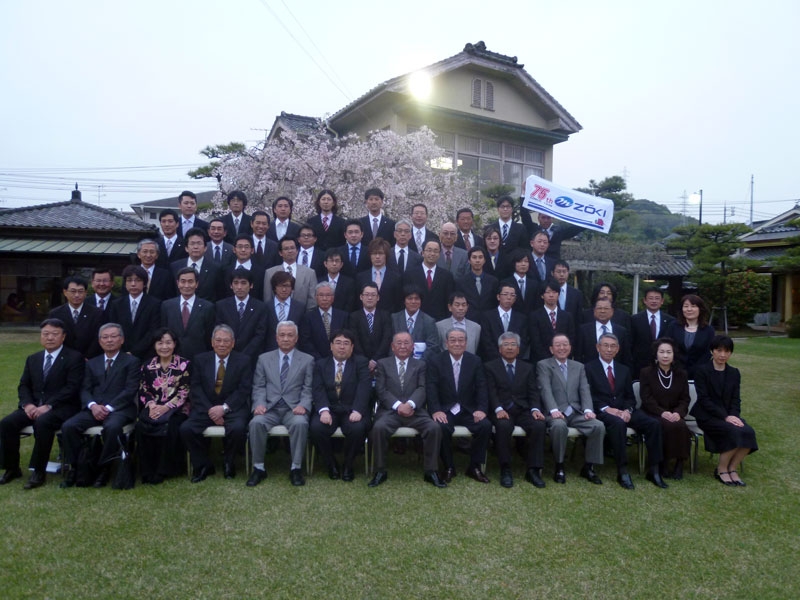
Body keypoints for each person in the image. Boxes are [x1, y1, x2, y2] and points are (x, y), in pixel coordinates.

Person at [0, 319, 84, 489]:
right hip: (34, 406)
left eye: (55, 334)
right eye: (46, 334)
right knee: (7, 423)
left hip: (62, 407)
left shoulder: (74, 358)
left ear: (63, 336)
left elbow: (72, 388)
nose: (50, 337)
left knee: (43, 422)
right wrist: (27, 405)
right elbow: (24, 385)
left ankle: (39, 471)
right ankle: (12, 468)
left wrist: (49, 405)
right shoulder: (33, 359)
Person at [60, 323, 140, 488]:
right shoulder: (91, 363)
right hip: (94, 408)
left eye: (113, 336)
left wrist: (109, 407)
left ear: (122, 339)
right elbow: (84, 388)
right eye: (105, 337)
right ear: (99, 341)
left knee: (112, 428)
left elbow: (130, 389)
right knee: (69, 426)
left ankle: (104, 468)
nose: (109, 340)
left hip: (120, 409)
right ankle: (78, 467)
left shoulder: (131, 361)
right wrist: (92, 405)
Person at [585, 333, 667, 489]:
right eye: (605, 345)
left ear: (618, 349)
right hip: (603, 411)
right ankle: (622, 470)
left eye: (613, 346)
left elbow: (630, 397)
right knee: (618, 424)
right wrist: (608, 409)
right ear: (598, 347)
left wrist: (628, 410)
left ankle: (654, 469)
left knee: (653, 423)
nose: (609, 349)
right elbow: (588, 395)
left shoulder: (624, 369)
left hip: (625, 410)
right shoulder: (589, 368)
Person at [369, 332, 445, 488]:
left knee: (434, 428)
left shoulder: (421, 365)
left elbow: (423, 388)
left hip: (415, 411)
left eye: (406, 343)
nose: (402, 346)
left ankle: (431, 471)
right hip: (390, 411)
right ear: (392, 346)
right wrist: (398, 405)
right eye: (399, 343)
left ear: (412, 347)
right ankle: (380, 470)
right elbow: (381, 390)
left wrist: (410, 404)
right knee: (378, 428)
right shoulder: (383, 364)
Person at [180, 325, 252, 483]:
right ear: (212, 342)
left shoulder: (244, 360)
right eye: (218, 340)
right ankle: (203, 465)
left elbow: (244, 389)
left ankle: (229, 462)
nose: (222, 344)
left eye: (226, 341)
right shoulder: (200, 359)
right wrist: (211, 411)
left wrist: (224, 408)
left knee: (238, 429)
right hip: (206, 407)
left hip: (233, 408)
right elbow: (196, 387)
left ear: (233, 343)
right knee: (186, 429)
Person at [248, 321, 314, 487]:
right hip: (270, 408)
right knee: (256, 423)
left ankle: (296, 468)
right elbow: (259, 385)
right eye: (282, 335)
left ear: (296, 338)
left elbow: (308, 388)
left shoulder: (307, 360)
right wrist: (259, 404)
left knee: (300, 423)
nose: (286, 338)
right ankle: (258, 468)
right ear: (276, 338)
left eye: (290, 335)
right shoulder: (264, 359)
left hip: (293, 409)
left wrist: (303, 405)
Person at [537, 334, 605, 484]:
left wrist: (588, 410)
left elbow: (584, 389)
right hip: (554, 412)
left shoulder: (579, 366)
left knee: (598, 426)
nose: (562, 348)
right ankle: (559, 465)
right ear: (551, 349)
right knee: (559, 426)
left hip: (576, 412)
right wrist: (553, 410)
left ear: (570, 347)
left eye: (565, 344)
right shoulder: (544, 365)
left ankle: (589, 467)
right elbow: (545, 389)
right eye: (558, 345)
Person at [691, 335, 758, 486]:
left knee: (748, 432)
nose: (723, 355)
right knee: (733, 432)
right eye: (719, 350)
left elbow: (736, 399)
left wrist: (734, 416)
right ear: (712, 351)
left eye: (727, 351)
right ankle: (721, 469)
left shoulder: (734, 373)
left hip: (729, 415)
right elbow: (704, 399)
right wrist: (725, 417)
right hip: (707, 415)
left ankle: (732, 468)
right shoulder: (702, 371)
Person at [427, 328, 492, 484]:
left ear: (466, 343)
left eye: (461, 340)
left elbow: (482, 387)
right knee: (441, 427)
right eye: (453, 340)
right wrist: (436, 410)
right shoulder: (436, 361)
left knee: (485, 425)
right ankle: (449, 467)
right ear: (446, 342)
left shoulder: (474, 361)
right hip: (446, 409)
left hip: (468, 409)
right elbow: (431, 387)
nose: (457, 343)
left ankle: (474, 467)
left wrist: (481, 409)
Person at [485, 332, 547, 488]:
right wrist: (498, 409)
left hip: (523, 410)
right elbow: (491, 392)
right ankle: (505, 468)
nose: (510, 348)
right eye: (506, 345)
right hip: (502, 409)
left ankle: (533, 469)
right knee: (503, 426)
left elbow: (533, 391)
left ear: (519, 349)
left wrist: (535, 409)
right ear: (500, 349)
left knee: (539, 425)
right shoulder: (490, 367)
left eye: (513, 345)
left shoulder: (527, 367)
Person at [309, 329, 371, 481]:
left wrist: (358, 410)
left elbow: (364, 388)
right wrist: (323, 411)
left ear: (352, 347)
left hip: (352, 409)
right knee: (316, 428)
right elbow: (318, 389)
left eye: (346, 343)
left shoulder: (361, 363)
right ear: (331, 346)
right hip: (329, 409)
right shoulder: (320, 364)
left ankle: (348, 465)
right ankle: (331, 464)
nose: (341, 347)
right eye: (338, 343)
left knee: (357, 429)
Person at [136, 328, 191, 484]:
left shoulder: (184, 365)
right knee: (142, 426)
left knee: (171, 426)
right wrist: (152, 405)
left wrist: (166, 407)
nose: (164, 347)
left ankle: (163, 470)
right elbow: (143, 389)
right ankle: (147, 470)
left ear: (174, 344)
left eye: (168, 343)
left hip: (177, 409)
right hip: (153, 408)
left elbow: (184, 391)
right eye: (160, 343)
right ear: (154, 345)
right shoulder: (147, 366)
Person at [639, 338, 691, 480]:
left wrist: (678, 413)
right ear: (656, 354)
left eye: (669, 352)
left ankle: (680, 463)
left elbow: (685, 398)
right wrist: (662, 412)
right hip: (653, 412)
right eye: (661, 352)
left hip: (675, 413)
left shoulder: (681, 374)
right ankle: (664, 463)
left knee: (680, 425)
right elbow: (646, 398)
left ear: (674, 354)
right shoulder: (646, 372)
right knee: (665, 425)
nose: (665, 355)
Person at [215, 268, 268, 365]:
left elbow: (260, 334)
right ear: (231, 285)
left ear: (251, 285)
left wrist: (245, 354)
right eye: (236, 283)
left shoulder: (260, 307)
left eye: (243, 283)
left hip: (251, 358)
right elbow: (220, 330)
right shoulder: (221, 306)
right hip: (228, 356)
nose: (239, 287)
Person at [160, 267, 215, 361]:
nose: (186, 285)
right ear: (178, 283)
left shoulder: (208, 307)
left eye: (190, 281)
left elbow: (209, 335)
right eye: (183, 281)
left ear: (196, 284)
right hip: (173, 357)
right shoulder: (167, 305)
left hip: (199, 357)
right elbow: (163, 332)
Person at [108, 265, 162, 360]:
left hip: (146, 355)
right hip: (121, 353)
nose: (133, 284)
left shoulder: (154, 304)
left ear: (145, 283)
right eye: (129, 280)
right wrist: (123, 350)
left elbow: (153, 331)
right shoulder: (116, 304)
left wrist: (135, 351)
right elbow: (114, 329)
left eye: (137, 280)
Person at [48, 275, 103, 358]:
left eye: (80, 291)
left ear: (86, 293)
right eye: (73, 291)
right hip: (63, 358)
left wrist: (88, 357)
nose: (77, 295)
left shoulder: (97, 313)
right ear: (65, 292)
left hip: (89, 359)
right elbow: (54, 337)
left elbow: (97, 338)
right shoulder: (55, 313)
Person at [665, 294, 715, 379]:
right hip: (674, 371)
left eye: (693, 306)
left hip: (699, 373)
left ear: (700, 309)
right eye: (686, 306)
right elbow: (667, 346)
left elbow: (708, 353)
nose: (689, 309)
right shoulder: (673, 326)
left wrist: (697, 369)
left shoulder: (708, 330)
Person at [403, 239, 454, 321]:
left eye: (436, 251)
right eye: (429, 250)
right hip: (416, 319)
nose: (432, 254)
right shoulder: (410, 274)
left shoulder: (447, 276)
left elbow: (449, 301)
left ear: (439, 254)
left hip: (439, 320)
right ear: (422, 253)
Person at [631, 287, 676, 379]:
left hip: (664, 364)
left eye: (657, 298)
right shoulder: (634, 319)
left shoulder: (670, 320)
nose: (654, 301)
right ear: (645, 300)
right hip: (640, 365)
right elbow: (631, 343)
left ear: (662, 301)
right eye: (651, 298)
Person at [529, 278, 577, 363]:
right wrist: (549, 360)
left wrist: (562, 356)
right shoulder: (534, 316)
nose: (551, 295)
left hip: (564, 359)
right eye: (548, 292)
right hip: (542, 361)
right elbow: (535, 341)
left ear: (558, 295)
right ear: (542, 295)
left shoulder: (567, 316)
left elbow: (571, 338)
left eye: (554, 292)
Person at [349, 282, 393, 376]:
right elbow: (354, 339)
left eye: (373, 295)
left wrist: (375, 360)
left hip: (381, 361)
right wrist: (365, 361)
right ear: (361, 297)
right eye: (367, 295)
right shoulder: (354, 316)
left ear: (378, 298)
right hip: (360, 362)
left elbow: (387, 338)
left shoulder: (385, 315)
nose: (370, 298)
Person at [170, 227, 224, 302]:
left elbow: (219, 295)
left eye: (199, 243)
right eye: (192, 243)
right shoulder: (175, 267)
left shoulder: (215, 268)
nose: (195, 247)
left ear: (205, 247)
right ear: (186, 248)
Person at [479, 283, 530, 362]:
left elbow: (523, 341)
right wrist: (500, 359)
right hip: (492, 361)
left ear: (515, 299)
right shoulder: (487, 317)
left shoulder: (522, 318)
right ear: (498, 297)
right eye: (505, 294)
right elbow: (486, 341)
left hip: (515, 361)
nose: (509, 297)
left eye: (512, 295)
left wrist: (512, 357)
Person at [299, 282, 349, 360]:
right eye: (321, 295)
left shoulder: (343, 316)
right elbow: (306, 342)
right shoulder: (308, 317)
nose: (324, 298)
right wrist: (320, 360)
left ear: (333, 297)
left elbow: (347, 339)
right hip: (316, 360)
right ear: (316, 297)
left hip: (338, 359)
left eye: (328, 295)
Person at [577, 297, 633, 368]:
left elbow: (626, 357)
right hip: (588, 372)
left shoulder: (621, 331)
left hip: (614, 373)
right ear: (594, 310)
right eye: (599, 308)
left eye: (606, 308)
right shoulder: (583, 330)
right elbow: (578, 356)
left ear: (612, 311)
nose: (602, 311)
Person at [264, 237, 317, 310]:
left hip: (302, 317)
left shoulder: (310, 273)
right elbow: (268, 298)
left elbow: (312, 300)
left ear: (297, 251)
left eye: (292, 248)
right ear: (280, 253)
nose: (290, 251)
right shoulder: (270, 272)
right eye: (286, 249)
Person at [391, 286, 440, 360]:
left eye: (416, 299)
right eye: (410, 298)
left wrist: (418, 363)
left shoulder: (429, 321)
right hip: (397, 363)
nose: (413, 302)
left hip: (421, 365)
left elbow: (432, 347)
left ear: (421, 301)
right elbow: (390, 344)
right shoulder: (394, 318)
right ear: (404, 301)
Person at [356, 238, 403, 313]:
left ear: (386, 255)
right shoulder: (361, 277)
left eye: (381, 253)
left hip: (388, 319)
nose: (377, 257)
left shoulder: (396, 278)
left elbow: (398, 302)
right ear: (370, 255)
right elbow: (357, 302)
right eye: (374, 253)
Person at [264, 271, 306, 352]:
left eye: (287, 286)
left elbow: (303, 333)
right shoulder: (265, 307)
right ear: (274, 287)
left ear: (292, 288)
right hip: (270, 352)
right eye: (280, 286)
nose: (284, 289)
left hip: (294, 352)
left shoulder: (300, 307)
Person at [455, 246, 499, 321]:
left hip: (489, 320)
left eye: (480, 257)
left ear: (484, 260)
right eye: (474, 257)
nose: (477, 260)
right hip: (469, 320)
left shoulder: (493, 281)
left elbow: (495, 303)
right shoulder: (461, 282)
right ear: (469, 260)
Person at [224, 234, 267, 301]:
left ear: (252, 250)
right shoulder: (225, 270)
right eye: (240, 247)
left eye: (246, 247)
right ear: (234, 249)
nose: (243, 250)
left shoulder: (261, 272)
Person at [501, 249, 540, 314]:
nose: (523, 264)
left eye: (526, 261)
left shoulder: (535, 284)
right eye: (519, 261)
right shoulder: (505, 283)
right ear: (513, 263)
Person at [319, 248, 357, 313]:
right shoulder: (319, 281)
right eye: (331, 260)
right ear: (325, 263)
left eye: (337, 261)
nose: (334, 264)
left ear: (341, 264)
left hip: (342, 319)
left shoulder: (349, 283)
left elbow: (350, 305)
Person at [552, 259, 583, 327]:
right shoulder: (548, 292)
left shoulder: (576, 294)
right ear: (552, 273)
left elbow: (579, 318)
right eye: (559, 271)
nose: (562, 274)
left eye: (564, 271)